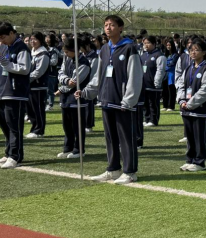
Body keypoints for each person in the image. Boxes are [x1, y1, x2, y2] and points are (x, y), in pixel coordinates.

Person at [77, 15, 143, 185]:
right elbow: (98, 75)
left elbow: (135, 76)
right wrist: (86, 92)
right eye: (106, 25)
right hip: (107, 100)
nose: (108, 28)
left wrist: (128, 100)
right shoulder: (105, 49)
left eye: (112, 25)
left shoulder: (129, 48)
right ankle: (113, 169)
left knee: (126, 138)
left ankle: (130, 171)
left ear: (120, 28)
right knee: (110, 137)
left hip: (122, 103)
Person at [177, 38, 206, 172]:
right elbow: (181, 84)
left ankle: (199, 162)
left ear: (203, 52)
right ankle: (190, 159)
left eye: (196, 50)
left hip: (199, 109)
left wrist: (191, 103)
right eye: (191, 50)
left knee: (199, 137)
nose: (193, 52)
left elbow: (205, 90)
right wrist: (181, 100)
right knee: (190, 136)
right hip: (186, 108)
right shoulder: (188, 68)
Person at [0, 22, 32, 169]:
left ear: (12, 33)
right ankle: (9, 152)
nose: (1, 41)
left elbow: (25, 69)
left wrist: (6, 64)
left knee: (14, 126)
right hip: (3, 91)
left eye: (3, 37)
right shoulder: (6, 47)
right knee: (5, 125)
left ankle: (15, 156)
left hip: (15, 92)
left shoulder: (21, 48)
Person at [57, 38, 90, 159]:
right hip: (65, 99)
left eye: (67, 52)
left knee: (77, 126)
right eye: (64, 52)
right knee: (67, 126)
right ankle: (68, 148)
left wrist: (62, 88)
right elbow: (61, 73)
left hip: (77, 99)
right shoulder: (66, 59)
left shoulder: (84, 63)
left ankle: (79, 150)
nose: (65, 54)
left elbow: (75, 82)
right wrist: (65, 80)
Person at [26, 32, 49, 139]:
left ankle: (39, 130)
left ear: (40, 40)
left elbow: (39, 71)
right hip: (31, 85)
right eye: (31, 39)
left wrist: (26, 79)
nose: (32, 41)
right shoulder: (32, 52)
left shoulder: (43, 54)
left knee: (38, 109)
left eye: (35, 39)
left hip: (39, 85)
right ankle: (34, 128)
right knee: (31, 109)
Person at [141, 36, 166, 128]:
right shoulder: (143, 55)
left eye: (148, 43)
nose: (146, 45)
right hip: (144, 84)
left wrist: (157, 82)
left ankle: (153, 120)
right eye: (144, 43)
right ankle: (147, 119)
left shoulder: (159, 55)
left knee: (153, 103)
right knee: (145, 103)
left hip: (153, 85)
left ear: (154, 44)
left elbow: (160, 70)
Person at [80, 35, 99, 133]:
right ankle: (82, 123)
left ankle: (88, 124)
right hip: (80, 83)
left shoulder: (94, 57)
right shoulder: (81, 56)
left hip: (88, 84)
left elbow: (94, 73)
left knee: (88, 104)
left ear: (87, 46)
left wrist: (89, 84)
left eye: (81, 47)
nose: (80, 50)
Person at [45, 34, 60, 111]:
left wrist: (45, 61)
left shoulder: (54, 50)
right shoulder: (44, 49)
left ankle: (50, 105)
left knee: (50, 90)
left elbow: (54, 62)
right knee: (45, 90)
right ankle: (45, 103)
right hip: (45, 73)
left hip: (51, 73)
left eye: (48, 37)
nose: (46, 39)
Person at [162, 38, 178, 112]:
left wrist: (165, 67)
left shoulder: (175, 55)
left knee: (171, 90)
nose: (168, 46)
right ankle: (165, 105)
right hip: (165, 74)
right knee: (165, 90)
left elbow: (173, 64)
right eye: (167, 45)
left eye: (169, 45)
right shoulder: (165, 55)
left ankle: (171, 106)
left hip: (172, 74)